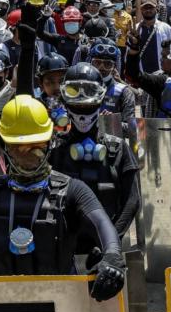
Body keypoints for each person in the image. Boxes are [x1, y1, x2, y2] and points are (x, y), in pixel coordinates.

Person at [0, 94, 126, 296]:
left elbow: (102, 225)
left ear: (48, 144)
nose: (27, 155)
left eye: (35, 147)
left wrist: (112, 257)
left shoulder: (73, 190)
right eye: (18, 148)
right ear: (4, 147)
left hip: (61, 306)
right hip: (0, 308)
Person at [49, 63, 141, 245]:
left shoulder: (118, 148)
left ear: (101, 95)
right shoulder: (55, 149)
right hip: (63, 247)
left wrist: (111, 242)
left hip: (107, 247)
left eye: (89, 91)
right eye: (74, 92)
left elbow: (132, 201)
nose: (82, 102)